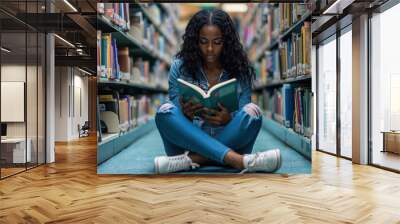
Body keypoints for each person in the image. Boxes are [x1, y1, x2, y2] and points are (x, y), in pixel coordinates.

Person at [154, 9, 281, 174]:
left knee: (253, 112)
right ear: (194, 41)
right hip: (189, 142)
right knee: (164, 112)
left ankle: (192, 160)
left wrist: (229, 119)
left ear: (227, 42)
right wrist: (186, 115)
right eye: (203, 41)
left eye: (217, 42)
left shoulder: (239, 68)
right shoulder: (180, 67)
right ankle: (238, 160)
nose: (210, 49)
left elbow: (244, 110)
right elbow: (175, 115)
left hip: (229, 137)